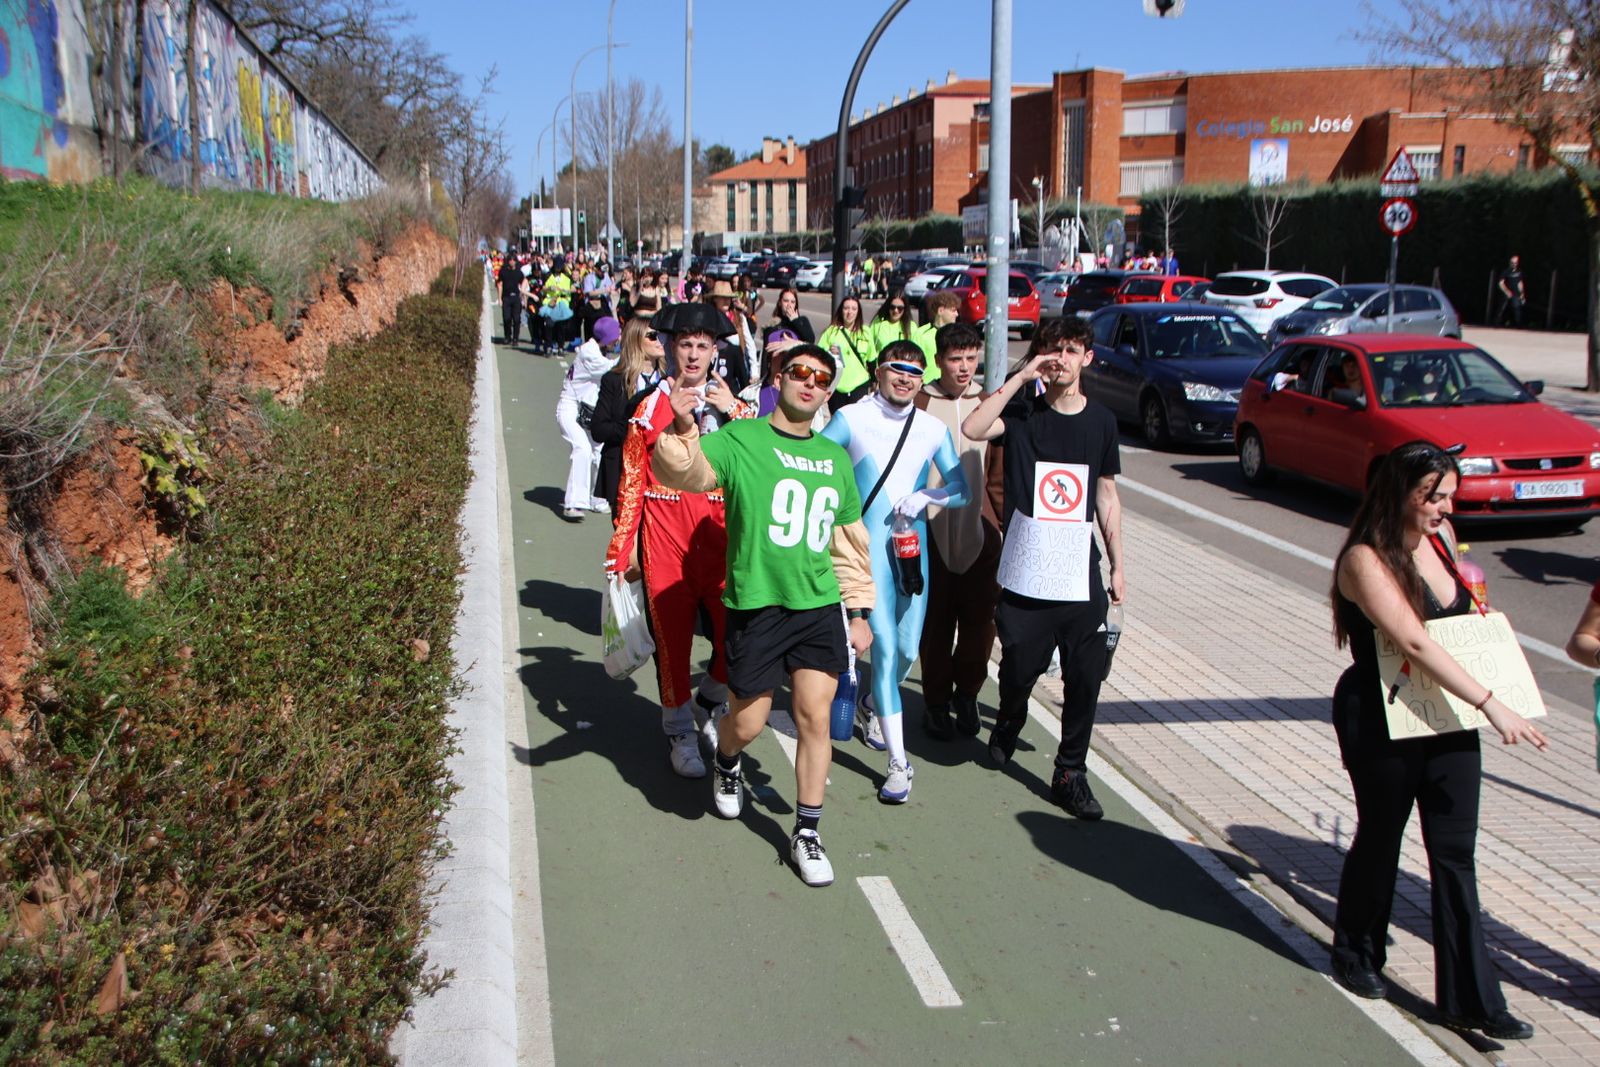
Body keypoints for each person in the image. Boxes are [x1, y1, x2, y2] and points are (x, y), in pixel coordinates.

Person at [1326, 441, 1546, 1039]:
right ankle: (1356, 952)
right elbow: (1415, 641)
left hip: (1445, 715)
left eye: (1450, 495)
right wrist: (1491, 702)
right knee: (1381, 838)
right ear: (1402, 493)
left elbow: (1460, 626)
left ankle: (1471, 999)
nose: (1447, 507)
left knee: (1454, 854)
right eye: (1435, 496)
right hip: (1384, 713)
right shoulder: (1364, 559)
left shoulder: (1443, 540)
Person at [650, 342, 875, 886]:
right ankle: (727, 759)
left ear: (828, 391)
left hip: (817, 607)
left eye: (821, 378)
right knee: (748, 723)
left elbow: (848, 541)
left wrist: (858, 610)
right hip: (756, 606)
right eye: (800, 372)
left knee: (815, 718)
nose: (810, 383)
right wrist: (682, 426)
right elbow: (684, 473)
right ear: (779, 377)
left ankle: (807, 833)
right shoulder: (742, 438)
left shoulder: (835, 458)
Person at [961, 316, 1125, 820]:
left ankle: (1070, 772)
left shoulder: (1102, 422)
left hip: (1078, 570)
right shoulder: (1023, 413)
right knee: (1018, 669)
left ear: (1087, 358)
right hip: (1027, 570)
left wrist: (1118, 566)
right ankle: (1010, 716)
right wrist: (1022, 374)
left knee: (1085, 676)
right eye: (1052, 350)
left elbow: (1106, 495)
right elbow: (973, 427)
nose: (1061, 360)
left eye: (1071, 351)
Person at [605, 302, 753, 779]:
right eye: (685, 344)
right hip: (665, 537)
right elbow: (631, 481)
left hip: (723, 539)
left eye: (701, 346)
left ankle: (708, 698)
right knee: (672, 640)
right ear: (670, 348)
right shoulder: (648, 407)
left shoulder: (734, 407)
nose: (692, 354)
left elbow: (763, 457)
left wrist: (734, 411)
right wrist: (623, 545)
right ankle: (678, 729)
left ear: (714, 351)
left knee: (739, 636)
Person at [823, 340, 969, 802]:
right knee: (886, 650)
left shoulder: (930, 428)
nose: (905, 378)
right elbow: (816, 464)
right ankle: (899, 765)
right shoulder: (852, 418)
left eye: (914, 372)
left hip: (911, 554)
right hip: (866, 557)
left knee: (907, 649)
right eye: (897, 369)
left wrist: (928, 496)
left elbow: (962, 489)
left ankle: (872, 703)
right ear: (879, 371)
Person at [915, 323, 1002, 740]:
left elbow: (998, 478)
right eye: (955, 359)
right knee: (934, 625)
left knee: (979, 626)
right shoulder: (919, 402)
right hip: (929, 533)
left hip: (979, 536)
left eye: (971, 358)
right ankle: (935, 703)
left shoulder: (988, 404)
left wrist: (1000, 526)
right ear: (939, 361)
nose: (964, 367)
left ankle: (967, 694)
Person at [591, 317, 666, 518]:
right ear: (635, 340)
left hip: (660, 473)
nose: (660, 341)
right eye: (653, 336)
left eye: (662, 336)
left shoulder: (670, 381)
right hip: (622, 471)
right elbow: (598, 429)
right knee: (625, 534)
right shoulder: (614, 380)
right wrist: (633, 427)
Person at [555, 317, 619, 520]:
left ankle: (597, 499)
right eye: (615, 337)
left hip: (587, 410)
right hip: (570, 408)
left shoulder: (598, 350)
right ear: (606, 338)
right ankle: (573, 503)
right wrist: (634, 353)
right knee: (582, 448)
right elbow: (612, 368)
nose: (617, 341)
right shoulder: (589, 353)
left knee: (600, 451)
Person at [818, 295, 877, 409]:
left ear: (858, 312)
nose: (850, 312)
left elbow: (871, 359)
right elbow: (819, 355)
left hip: (859, 385)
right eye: (846, 308)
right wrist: (829, 353)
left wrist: (875, 382)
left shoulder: (865, 332)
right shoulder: (831, 332)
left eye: (854, 309)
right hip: (837, 387)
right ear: (841, 310)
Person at [912, 290, 962, 375]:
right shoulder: (921, 334)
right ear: (940, 310)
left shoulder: (957, 334)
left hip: (949, 382)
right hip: (927, 382)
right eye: (953, 310)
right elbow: (913, 361)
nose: (956, 314)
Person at [498, 253, 524, 345]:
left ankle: (515, 338)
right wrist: (499, 299)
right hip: (506, 297)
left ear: (516, 261)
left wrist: (522, 297)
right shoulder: (503, 271)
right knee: (506, 318)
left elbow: (523, 284)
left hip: (516, 297)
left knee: (516, 319)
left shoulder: (519, 272)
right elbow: (500, 285)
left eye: (513, 260)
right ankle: (507, 336)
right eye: (510, 260)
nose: (512, 262)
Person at [1497, 254, 1526, 328]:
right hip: (1507, 293)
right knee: (1502, 308)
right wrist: (1507, 291)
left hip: (1516, 294)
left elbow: (1520, 282)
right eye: (1512, 263)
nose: (1514, 264)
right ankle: (1497, 323)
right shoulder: (1506, 272)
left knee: (1517, 308)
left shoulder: (1519, 272)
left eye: (1515, 263)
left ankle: (1518, 325)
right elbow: (1501, 283)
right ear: (1509, 263)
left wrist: (1522, 293)